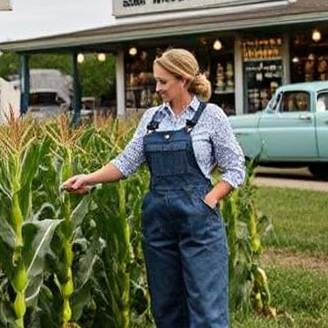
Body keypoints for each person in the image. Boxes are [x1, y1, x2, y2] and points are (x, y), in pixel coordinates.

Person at [62, 48, 245, 328]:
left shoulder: (212, 116)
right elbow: (127, 162)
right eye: (156, 81)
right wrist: (89, 178)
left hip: (199, 223)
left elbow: (235, 167)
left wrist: (210, 198)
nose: (157, 88)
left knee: (207, 308)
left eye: (163, 81)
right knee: (166, 306)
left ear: (183, 80)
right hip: (159, 223)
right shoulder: (152, 118)